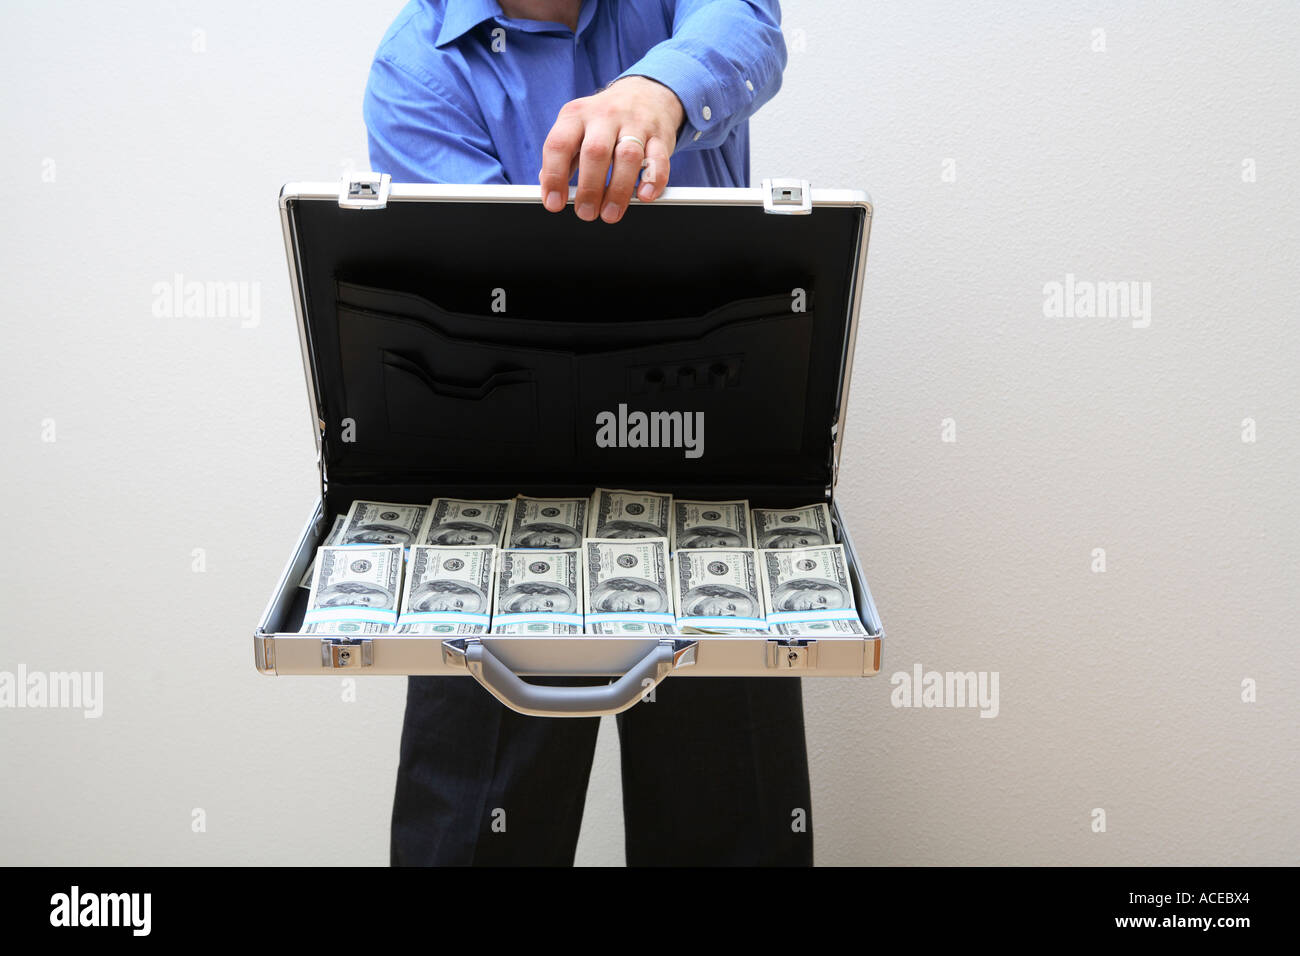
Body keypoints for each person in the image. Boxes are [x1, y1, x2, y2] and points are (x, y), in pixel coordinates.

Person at [364, 0, 811, 866]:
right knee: (471, 842)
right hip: (497, 510)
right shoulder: (416, 66)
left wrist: (657, 90)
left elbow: (750, 22)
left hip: (717, 482)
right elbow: (478, 322)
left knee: (737, 834)